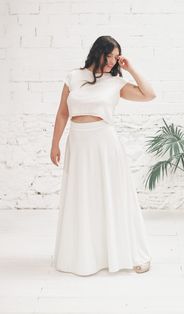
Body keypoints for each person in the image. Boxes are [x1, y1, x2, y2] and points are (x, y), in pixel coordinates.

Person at [50, 35, 156, 276]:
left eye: (115, 57)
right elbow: (62, 114)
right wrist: (54, 144)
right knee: (82, 197)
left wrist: (131, 69)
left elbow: (149, 94)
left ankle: (128, 252)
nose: (111, 61)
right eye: (107, 55)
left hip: (104, 143)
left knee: (111, 195)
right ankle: (85, 255)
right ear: (97, 52)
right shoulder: (73, 78)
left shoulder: (116, 83)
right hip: (77, 142)